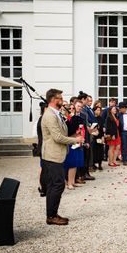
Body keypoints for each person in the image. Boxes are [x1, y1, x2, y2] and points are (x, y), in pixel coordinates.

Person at [40, 88, 84, 226]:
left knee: (56, 185)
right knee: (57, 185)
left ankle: (53, 213)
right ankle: (51, 216)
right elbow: (58, 137)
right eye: (60, 98)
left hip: (57, 154)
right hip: (52, 155)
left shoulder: (57, 114)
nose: (62, 100)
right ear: (53, 100)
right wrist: (75, 140)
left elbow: (64, 130)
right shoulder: (49, 116)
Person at [64, 100, 86, 189]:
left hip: (77, 141)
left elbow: (81, 123)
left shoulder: (76, 118)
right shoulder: (66, 119)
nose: (72, 109)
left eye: (73, 108)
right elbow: (69, 131)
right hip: (70, 141)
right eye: (70, 108)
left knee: (75, 163)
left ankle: (73, 181)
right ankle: (69, 183)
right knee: (71, 163)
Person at [92, 101, 104, 171]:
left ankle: (100, 164)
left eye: (99, 110)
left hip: (99, 136)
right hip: (94, 136)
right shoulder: (92, 118)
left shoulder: (101, 118)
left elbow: (102, 128)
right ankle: (93, 164)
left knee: (100, 151)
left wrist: (102, 137)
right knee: (94, 151)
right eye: (97, 110)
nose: (98, 111)